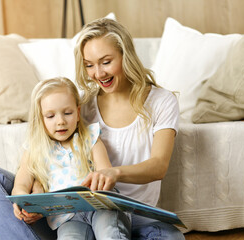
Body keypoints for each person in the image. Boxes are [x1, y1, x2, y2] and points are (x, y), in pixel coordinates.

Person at [73, 18, 185, 239]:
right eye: (89, 65)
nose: (98, 73)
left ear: (126, 56)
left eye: (106, 62)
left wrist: (115, 173)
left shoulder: (162, 101)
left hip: (142, 216)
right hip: (100, 214)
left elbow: (158, 166)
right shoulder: (83, 108)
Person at [11, 77, 130, 239]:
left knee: (110, 234)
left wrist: (100, 181)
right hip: (66, 218)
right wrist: (21, 202)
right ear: (40, 118)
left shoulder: (90, 137)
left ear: (78, 113)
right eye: (50, 116)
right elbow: (21, 183)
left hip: (101, 209)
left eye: (68, 113)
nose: (61, 121)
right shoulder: (35, 149)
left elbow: (106, 173)